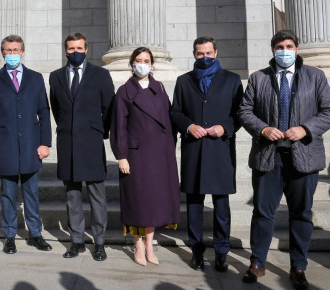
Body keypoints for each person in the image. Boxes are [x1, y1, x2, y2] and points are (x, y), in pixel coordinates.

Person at [238, 29, 330, 290]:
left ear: (297, 48)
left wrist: (305, 129)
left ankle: (299, 266)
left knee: (301, 214)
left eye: (289, 45)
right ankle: (257, 262)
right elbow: (244, 110)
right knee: (262, 213)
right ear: (273, 50)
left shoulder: (315, 76)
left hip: (303, 157)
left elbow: (329, 111)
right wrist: (262, 129)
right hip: (268, 157)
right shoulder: (258, 78)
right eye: (280, 46)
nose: (285, 50)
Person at [170, 37, 243, 272]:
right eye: (200, 54)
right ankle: (197, 250)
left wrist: (225, 127)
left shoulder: (231, 80)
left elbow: (240, 113)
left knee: (221, 205)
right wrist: (188, 126)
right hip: (194, 148)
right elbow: (176, 111)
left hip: (220, 148)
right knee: (194, 204)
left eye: (209, 53)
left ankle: (222, 251)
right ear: (194, 55)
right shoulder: (183, 81)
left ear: (216, 52)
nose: (205, 58)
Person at [0, 35, 53, 254]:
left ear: (23, 52)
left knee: (32, 193)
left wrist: (45, 142)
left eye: (16, 50)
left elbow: (44, 112)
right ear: (3, 53)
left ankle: (35, 234)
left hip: (32, 145)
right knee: (8, 194)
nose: (12, 54)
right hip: (5, 147)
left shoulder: (36, 78)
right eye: (8, 51)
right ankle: (10, 235)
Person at [110, 47, 180, 267]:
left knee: (155, 202)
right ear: (132, 64)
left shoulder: (159, 87)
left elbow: (167, 121)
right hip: (136, 155)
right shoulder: (124, 91)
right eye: (138, 60)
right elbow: (118, 127)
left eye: (146, 60)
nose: (142, 64)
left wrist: (170, 147)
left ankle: (150, 244)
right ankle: (138, 243)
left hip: (159, 154)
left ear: (152, 64)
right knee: (138, 202)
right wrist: (121, 156)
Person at [49, 32, 115, 261]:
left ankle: (99, 242)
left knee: (97, 196)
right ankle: (76, 240)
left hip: (91, 143)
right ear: (65, 50)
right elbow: (57, 109)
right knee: (72, 195)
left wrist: (99, 131)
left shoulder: (101, 75)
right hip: (68, 143)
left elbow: (109, 110)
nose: (75, 52)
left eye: (79, 48)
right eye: (70, 49)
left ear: (86, 49)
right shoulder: (56, 76)